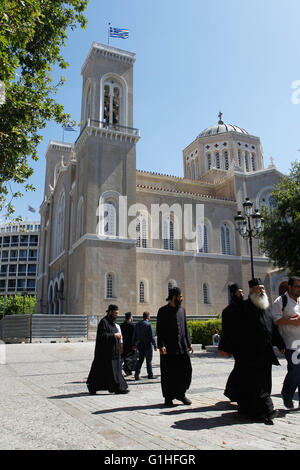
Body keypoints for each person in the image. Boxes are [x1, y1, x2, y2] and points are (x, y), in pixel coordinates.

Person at [229, 279, 285, 424]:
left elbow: (272, 329)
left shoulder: (265, 308)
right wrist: (230, 349)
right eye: (259, 288)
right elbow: (234, 331)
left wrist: (280, 344)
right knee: (256, 384)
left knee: (263, 383)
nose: (262, 291)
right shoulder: (244, 308)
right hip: (249, 354)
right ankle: (268, 410)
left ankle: (251, 410)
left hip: (265, 354)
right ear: (252, 291)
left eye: (263, 288)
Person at [156, 287, 193, 407]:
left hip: (182, 347)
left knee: (185, 370)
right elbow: (159, 330)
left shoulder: (182, 310)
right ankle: (168, 398)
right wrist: (161, 345)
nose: (182, 299)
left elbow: (185, 327)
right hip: (168, 349)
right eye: (180, 296)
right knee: (168, 373)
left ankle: (181, 394)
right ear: (174, 297)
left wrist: (189, 343)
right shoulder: (162, 311)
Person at [86, 304, 129, 395]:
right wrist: (114, 335)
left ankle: (117, 387)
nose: (117, 315)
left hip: (112, 353)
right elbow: (102, 336)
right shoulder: (104, 322)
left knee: (113, 371)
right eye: (115, 313)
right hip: (104, 353)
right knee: (101, 372)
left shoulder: (112, 323)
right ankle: (94, 387)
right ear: (110, 312)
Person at [272, 276, 300, 409]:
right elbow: (276, 319)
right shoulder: (281, 301)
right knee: (295, 370)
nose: (298, 289)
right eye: (296, 286)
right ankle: (287, 394)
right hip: (291, 342)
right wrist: (292, 321)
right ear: (289, 287)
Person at [218, 283, 244, 402]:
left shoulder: (246, 307)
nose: (241, 294)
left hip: (247, 344)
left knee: (240, 368)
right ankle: (233, 392)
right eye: (239, 292)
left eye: (242, 292)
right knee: (240, 367)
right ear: (233, 294)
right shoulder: (228, 311)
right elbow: (226, 331)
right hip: (237, 345)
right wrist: (224, 348)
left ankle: (231, 392)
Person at [132, 312, 157, 380]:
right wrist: (155, 345)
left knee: (140, 360)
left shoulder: (138, 324)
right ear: (148, 317)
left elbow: (134, 335)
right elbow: (152, 336)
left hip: (140, 344)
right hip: (148, 344)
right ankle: (150, 375)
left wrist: (133, 344)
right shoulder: (149, 325)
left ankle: (136, 374)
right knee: (149, 360)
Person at [120, 312, 137, 376]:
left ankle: (127, 369)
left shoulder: (122, 325)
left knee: (125, 357)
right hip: (131, 344)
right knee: (131, 358)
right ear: (130, 317)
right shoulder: (133, 325)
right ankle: (128, 369)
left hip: (124, 344)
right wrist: (135, 344)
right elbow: (135, 336)